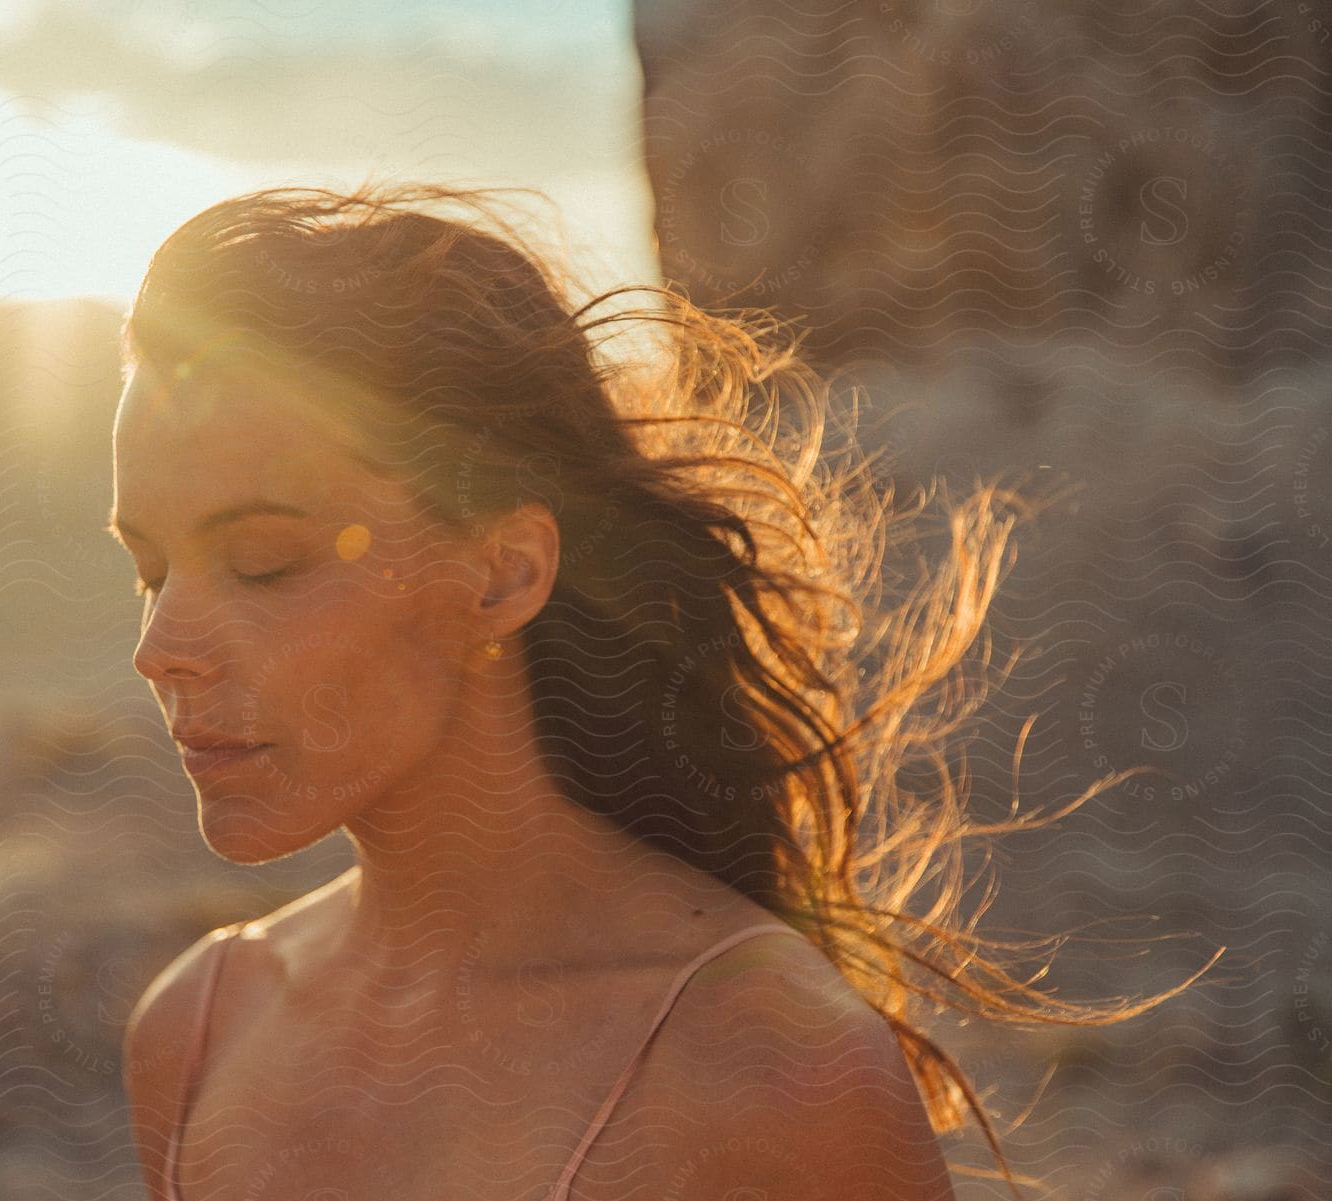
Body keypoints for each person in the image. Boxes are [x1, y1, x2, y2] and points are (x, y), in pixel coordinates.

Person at [108, 181, 1216, 1200]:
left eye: (265, 562)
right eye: (149, 568)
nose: (162, 646)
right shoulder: (200, 1030)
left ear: (505, 572)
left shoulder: (764, 1066)